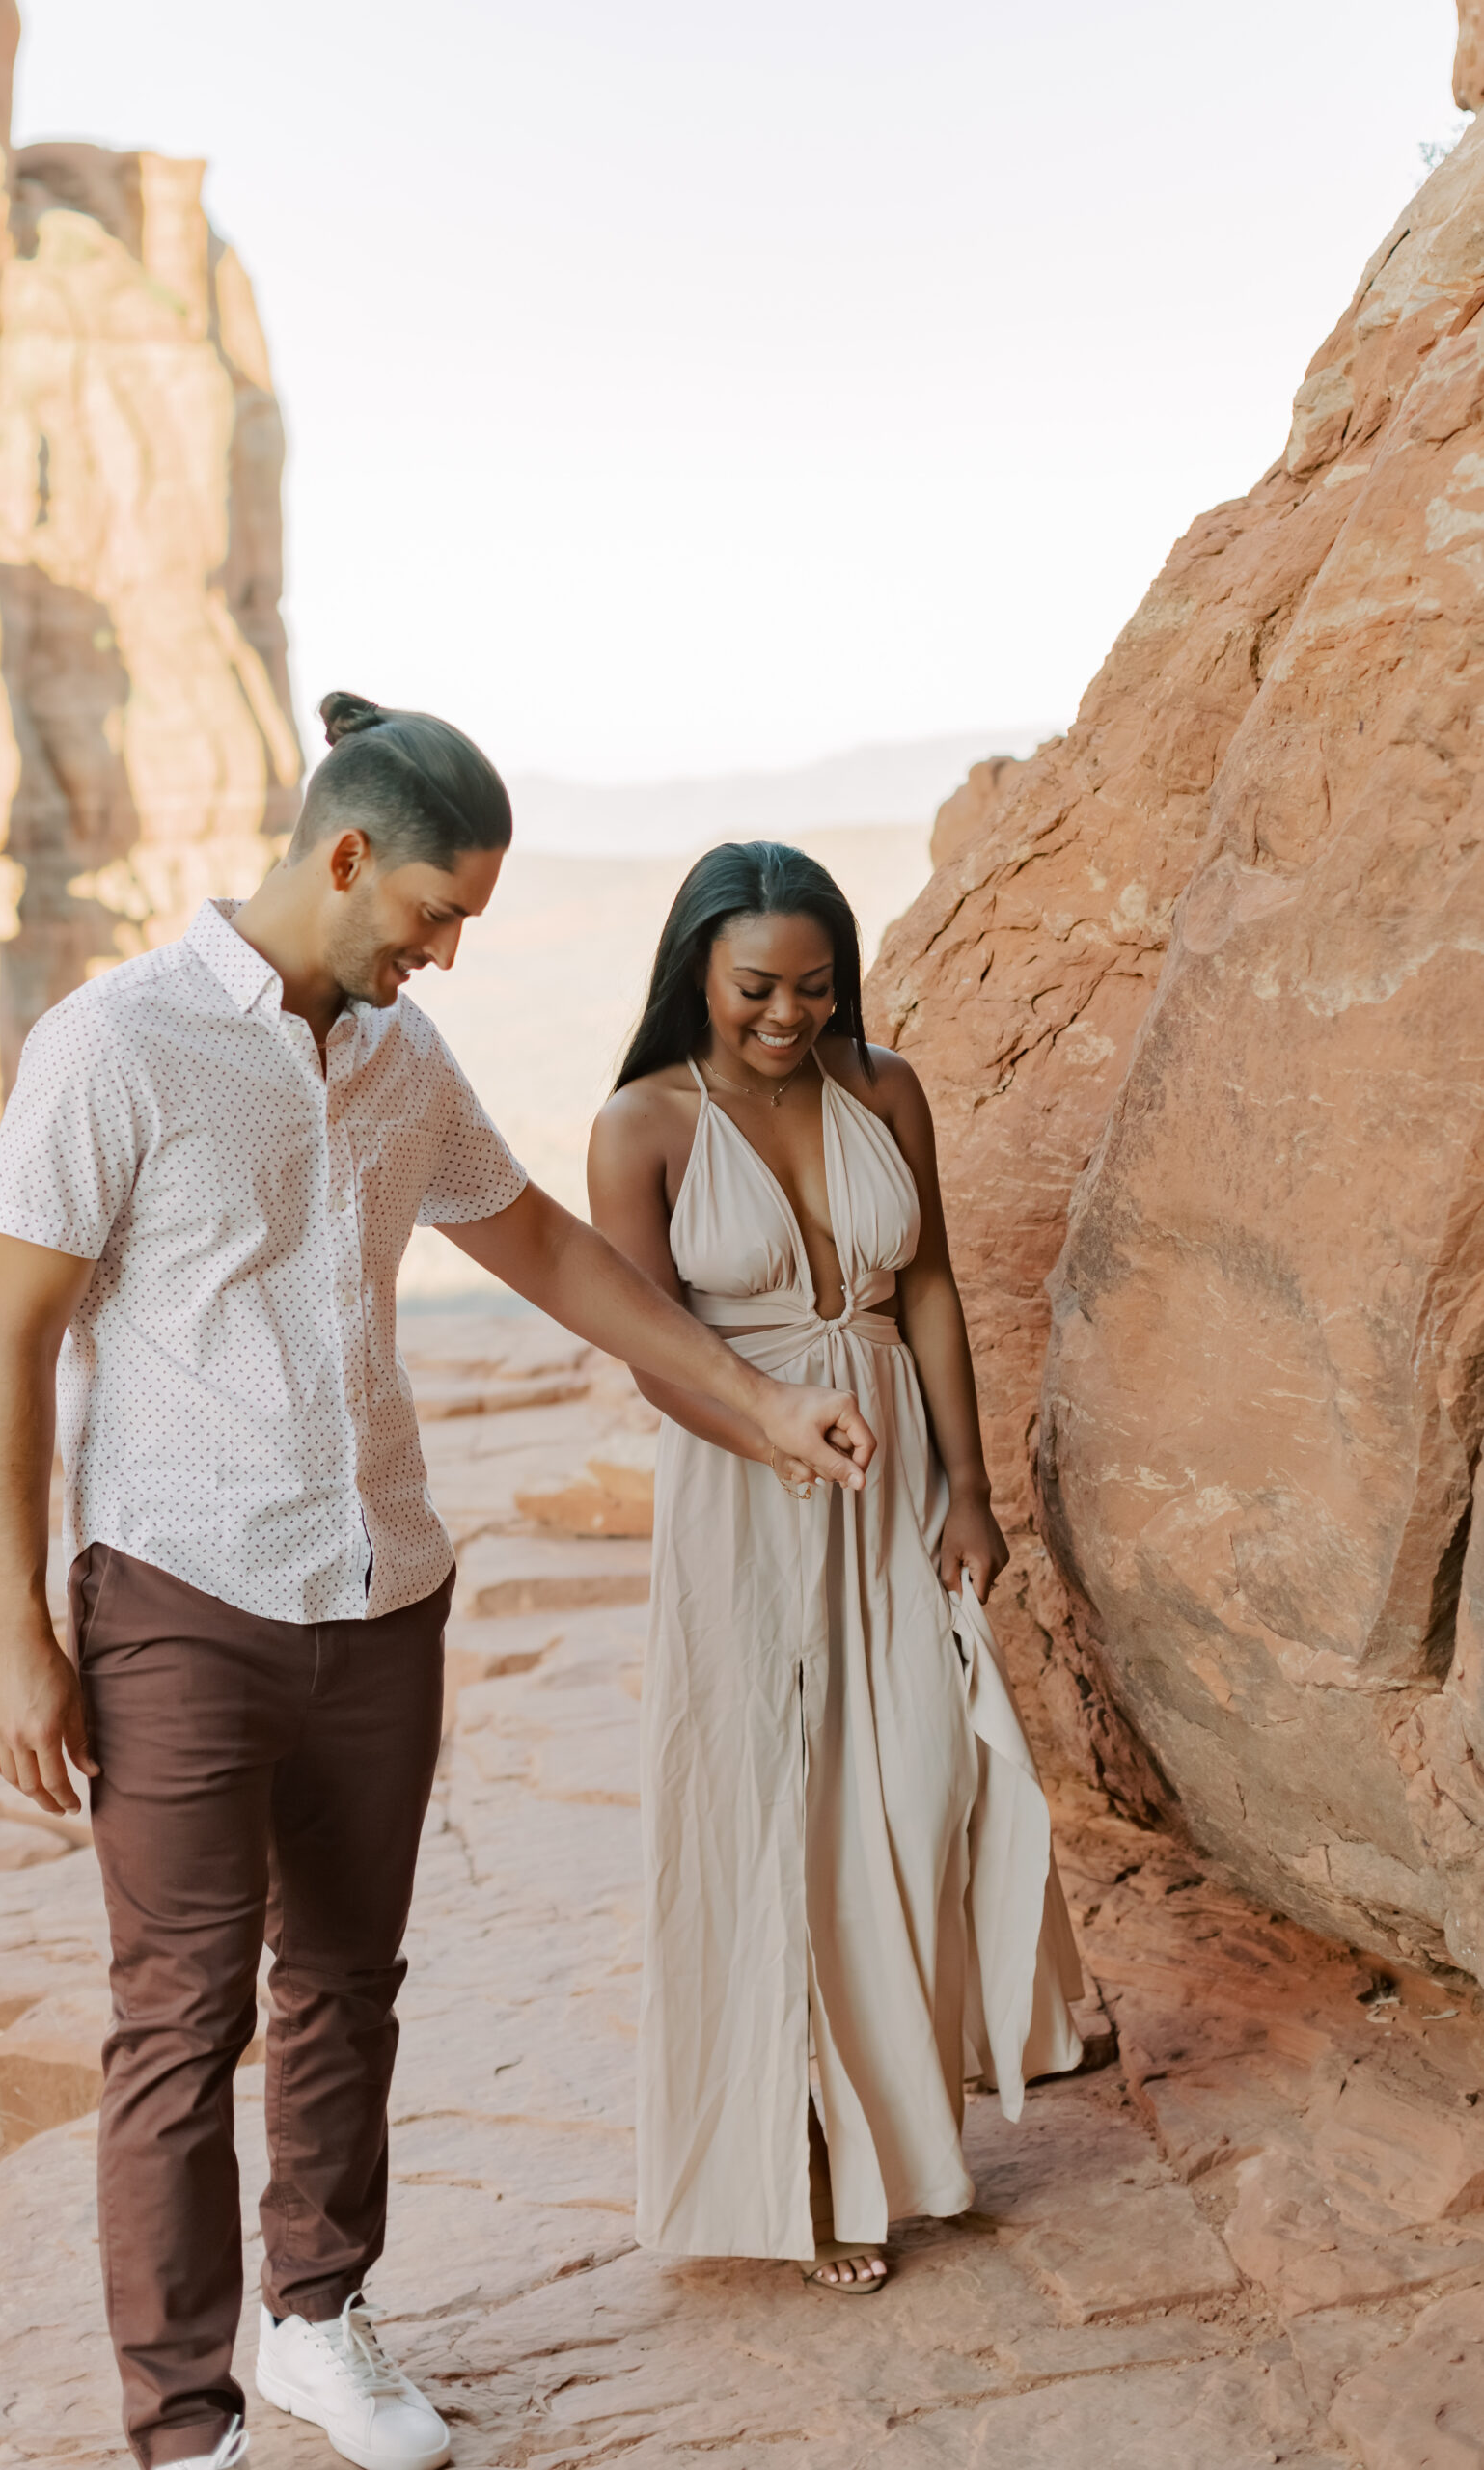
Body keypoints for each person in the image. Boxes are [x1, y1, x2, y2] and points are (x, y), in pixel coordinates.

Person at [0, 704, 876, 2470]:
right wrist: (16, 1625)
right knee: (180, 2016)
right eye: (435, 913)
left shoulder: (400, 1055)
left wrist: (755, 1402)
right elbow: (9, 1344)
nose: (448, 951)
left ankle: (319, 2325)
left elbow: (532, 1241)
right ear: (344, 857)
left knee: (350, 1982)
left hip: (384, 1589)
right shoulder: (116, 1047)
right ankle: (182, 2426)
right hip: (178, 1595)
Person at [587, 840, 1085, 2293]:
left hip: (894, 1484)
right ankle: (793, 2154)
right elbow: (645, 1341)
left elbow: (923, 1282)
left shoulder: (884, 1088)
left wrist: (971, 1492)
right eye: (757, 987)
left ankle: (901, 2129)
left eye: (816, 985)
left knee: (920, 1788)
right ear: (697, 969)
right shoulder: (644, 1126)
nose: (788, 1016)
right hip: (745, 1496)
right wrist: (769, 1432)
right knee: (772, 1815)